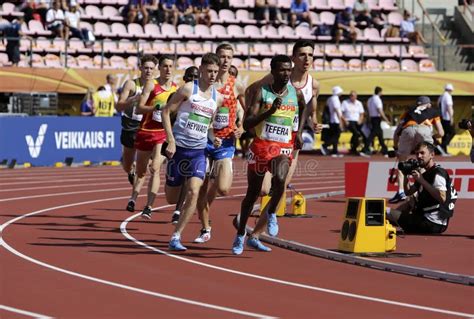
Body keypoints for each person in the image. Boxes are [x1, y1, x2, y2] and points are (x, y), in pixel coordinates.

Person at [244, 40, 322, 246]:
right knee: (262, 190)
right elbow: (250, 92)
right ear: (294, 58)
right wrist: (251, 123)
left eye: (310, 55)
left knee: (282, 185)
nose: (307, 59)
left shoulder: (314, 84)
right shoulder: (275, 77)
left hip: (290, 143)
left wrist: (312, 124)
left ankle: (256, 233)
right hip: (268, 140)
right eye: (303, 55)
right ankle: (248, 220)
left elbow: (310, 108)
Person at [231, 55, 310, 255]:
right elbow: (248, 124)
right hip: (261, 148)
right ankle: (240, 234)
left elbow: (304, 109)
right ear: (273, 72)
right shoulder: (262, 92)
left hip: (282, 148)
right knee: (252, 195)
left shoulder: (295, 93)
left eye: (288, 70)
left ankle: (272, 212)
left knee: (281, 180)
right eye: (282, 70)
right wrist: (269, 112)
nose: (286, 74)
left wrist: (299, 132)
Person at [162, 53, 223, 251]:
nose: (213, 75)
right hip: (178, 149)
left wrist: (214, 139)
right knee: (172, 197)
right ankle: (173, 184)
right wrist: (170, 140)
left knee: (194, 191)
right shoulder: (189, 89)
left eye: (216, 71)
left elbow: (210, 125)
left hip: (198, 152)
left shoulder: (217, 98)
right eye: (209, 71)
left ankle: (176, 236)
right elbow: (165, 111)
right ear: (202, 70)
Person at [194, 43, 245, 243]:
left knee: (223, 188)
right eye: (221, 56)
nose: (225, 61)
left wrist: (242, 125)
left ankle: (210, 192)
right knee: (199, 187)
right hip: (203, 141)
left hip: (225, 142)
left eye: (228, 57)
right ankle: (205, 228)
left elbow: (247, 109)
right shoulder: (205, 84)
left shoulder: (237, 85)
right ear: (216, 58)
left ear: (232, 60)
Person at [132, 54, 177, 218]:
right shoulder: (152, 85)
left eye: (171, 66)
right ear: (160, 68)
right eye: (165, 66)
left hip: (163, 134)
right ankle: (133, 196)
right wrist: (155, 108)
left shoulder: (176, 89)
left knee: (155, 168)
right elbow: (139, 108)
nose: (168, 69)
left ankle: (149, 207)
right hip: (146, 131)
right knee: (141, 171)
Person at [387, 142, 456, 234]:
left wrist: (421, 180)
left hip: (430, 223)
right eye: (417, 153)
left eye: (422, 153)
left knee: (382, 211)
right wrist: (405, 175)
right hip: (428, 220)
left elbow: (442, 198)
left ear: (432, 155)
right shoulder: (425, 174)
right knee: (409, 200)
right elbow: (408, 192)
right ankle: (396, 219)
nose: (419, 156)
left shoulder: (438, 173)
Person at [389, 96, 444, 203]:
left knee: (402, 163)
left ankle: (401, 192)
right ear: (428, 104)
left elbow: (396, 133)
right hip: (425, 130)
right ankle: (425, 189)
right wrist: (432, 137)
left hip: (408, 130)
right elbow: (441, 133)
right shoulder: (432, 111)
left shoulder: (409, 111)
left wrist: (396, 147)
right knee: (425, 162)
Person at [116, 55, 157, 191]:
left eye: (151, 68)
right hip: (131, 126)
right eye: (146, 68)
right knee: (126, 165)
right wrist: (132, 99)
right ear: (140, 68)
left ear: (155, 69)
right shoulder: (132, 84)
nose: (148, 71)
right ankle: (131, 169)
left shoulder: (157, 86)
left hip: (149, 127)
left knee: (151, 163)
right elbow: (118, 106)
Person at [169, 65, 200, 224]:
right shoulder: (178, 94)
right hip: (175, 141)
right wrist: (170, 139)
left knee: (190, 178)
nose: (193, 80)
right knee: (171, 191)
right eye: (190, 77)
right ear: (185, 78)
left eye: (196, 77)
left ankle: (178, 210)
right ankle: (175, 204)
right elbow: (167, 115)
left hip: (195, 144)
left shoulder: (201, 97)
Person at [363, 86, 389, 156]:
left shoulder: (370, 99)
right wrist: (386, 119)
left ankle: (384, 149)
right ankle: (365, 149)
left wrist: (368, 118)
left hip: (372, 118)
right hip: (377, 118)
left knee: (379, 134)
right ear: (379, 92)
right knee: (373, 134)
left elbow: (368, 110)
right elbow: (379, 110)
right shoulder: (377, 99)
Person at [321, 86, 344, 157]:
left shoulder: (330, 99)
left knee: (335, 136)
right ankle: (325, 145)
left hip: (332, 120)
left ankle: (335, 151)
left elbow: (327, 107)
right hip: (335, 120)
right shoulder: (335, 99)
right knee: (336, 136)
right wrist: (341, 122)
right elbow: (337, 111)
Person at [341, 90, 366, 156]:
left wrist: (360, 120)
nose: (352, 97)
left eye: (354, 96)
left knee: (360, 134)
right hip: (349, 121)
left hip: (357, 121)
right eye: (351, 95)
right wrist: (345, 121)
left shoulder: (359, 103)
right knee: (356, 133)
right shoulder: (345, 102)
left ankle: (354, 148)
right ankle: (353, 148)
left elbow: (362, 113)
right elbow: (341, 113)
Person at [438, 83, 455, 153]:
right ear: (450, 90)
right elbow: (449, 107)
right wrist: (451, 117)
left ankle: (444, 150)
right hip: (446, 118)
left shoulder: (442, 96)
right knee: (452, 132)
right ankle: (442, 146)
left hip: (441, 117)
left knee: (444, 134)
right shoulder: (448, 96)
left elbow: (437, 104)